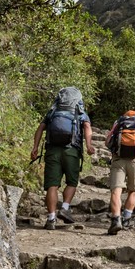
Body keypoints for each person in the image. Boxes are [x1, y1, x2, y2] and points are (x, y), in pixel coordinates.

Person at [30, 87, 95, 230]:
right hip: (72, 150)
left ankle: (51, 218)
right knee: (72, 182)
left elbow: (40, 128)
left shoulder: (53, 111)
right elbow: (87, 127)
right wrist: (89, 145)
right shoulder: (80, 111)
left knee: (52, 185)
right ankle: (65, 207)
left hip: (52, 151)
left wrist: (35, 147)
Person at [104, 109, 135, 235]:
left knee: (116, 190)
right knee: (133, 191)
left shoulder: (119, 122)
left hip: (118, 159)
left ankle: (116, 220)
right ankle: (126, 219)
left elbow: (108, 141)